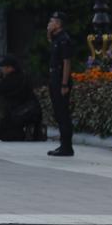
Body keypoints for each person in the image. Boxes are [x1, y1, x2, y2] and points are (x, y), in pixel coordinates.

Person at [0, 55, 44, 142]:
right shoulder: (22, 75)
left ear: (10, 68)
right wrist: (0, 76)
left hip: (21, 113)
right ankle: (33, 130)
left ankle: (27, 134)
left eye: (4, 67)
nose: (2, 69)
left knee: (3, 132)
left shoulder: (10, 80)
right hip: (33, 110)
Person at [47, 11, 74, 156]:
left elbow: (67, 62)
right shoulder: (56, 38)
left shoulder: (64, 40)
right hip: (54, 78)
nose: (49, 24)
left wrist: (64, 84)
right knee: (58, 113)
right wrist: (49, 33)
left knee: (63, 114)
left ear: (58, 24)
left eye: (52, 21)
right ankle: (63, 144)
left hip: (60, 80)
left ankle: (67, 147)